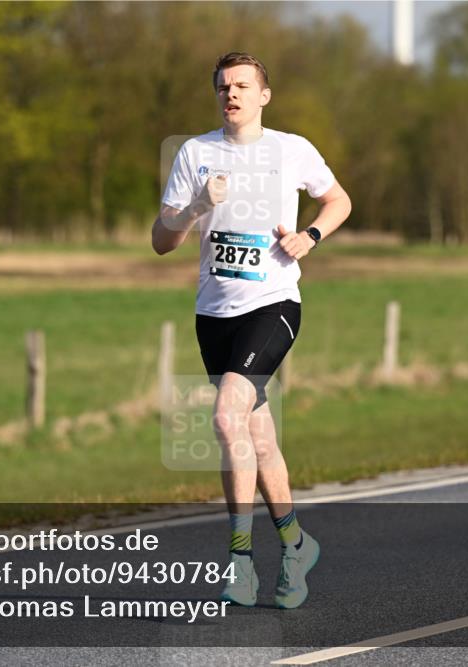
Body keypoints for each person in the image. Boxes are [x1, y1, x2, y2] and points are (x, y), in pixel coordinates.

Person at [152, 52, 351, 609]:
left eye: (242, 85)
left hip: (273, 306)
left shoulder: (291, 149)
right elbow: (162, 240)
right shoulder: (195, 153)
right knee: (259, 439)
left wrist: (310, 236)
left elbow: (338, 200)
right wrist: (196, 204)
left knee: (225, 416)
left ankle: (239, 561)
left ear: (264, 95)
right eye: (223, 87)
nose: (231, 94)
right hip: (214, 315)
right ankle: (297, 545)